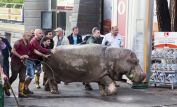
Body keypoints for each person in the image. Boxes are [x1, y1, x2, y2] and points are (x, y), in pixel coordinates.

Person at [24, 29, 54, 94]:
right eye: (40, 33)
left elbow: (37, 51)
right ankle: (23, 88)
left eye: (42, 33)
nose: (42, 34)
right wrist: (50, 50)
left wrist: (44, 55)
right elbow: (39, 49)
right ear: (36, 34)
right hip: (30, 60)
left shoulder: (38, 40)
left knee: (31, 75)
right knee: (30, 75)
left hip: (34, 61)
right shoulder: (34, 40)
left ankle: (25, 88)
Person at [6, 32, 32, 97]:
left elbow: (28, 51)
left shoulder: (28, 43)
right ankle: (6, 87)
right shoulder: (18, 42)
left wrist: (27, 55)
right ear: (24, 36)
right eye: (28, 36)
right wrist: (20, 56)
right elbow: (13, 51)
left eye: (30, 36)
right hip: (15, 62)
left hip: (24, 62)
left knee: (22, 78)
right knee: (14, 77)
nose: (30, 37)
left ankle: (20, 93)